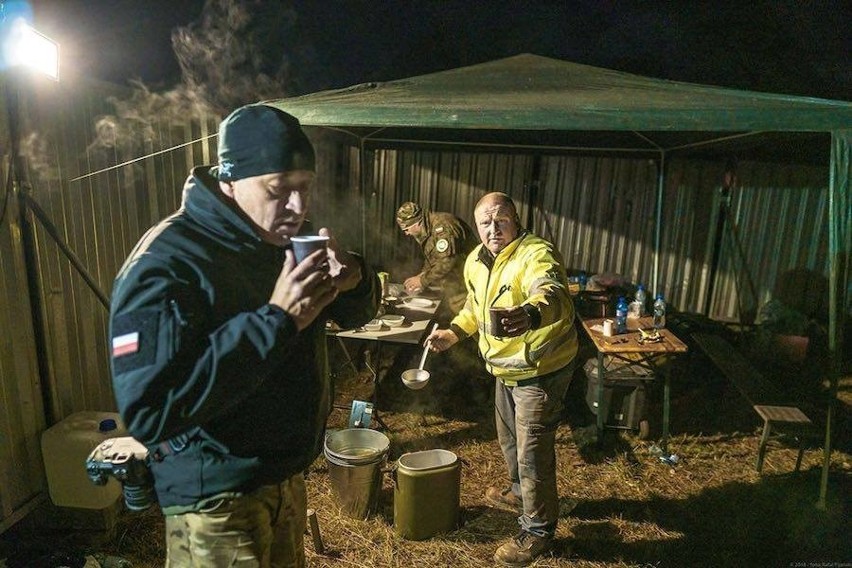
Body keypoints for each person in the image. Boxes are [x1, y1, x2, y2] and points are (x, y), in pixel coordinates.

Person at [108, 104, 379, 567]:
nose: (299, 207)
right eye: (280, 190)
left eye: (306, 188)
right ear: (229, 182)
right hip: (213, 498)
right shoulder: (167, 263)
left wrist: (354, 279)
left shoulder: (283, 238)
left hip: (283, 477)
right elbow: (150, 410)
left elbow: (352, 316)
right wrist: (277, 319)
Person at [425, 192, 578, 566]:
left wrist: (531, 313)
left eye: (500, 220)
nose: (492, 229)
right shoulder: (476, 261)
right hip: (504, 368)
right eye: (485, 223)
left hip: (540, 369)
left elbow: (553, 291)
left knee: (531, 450)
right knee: (508, 437)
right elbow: (473, 308)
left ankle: (538, 530)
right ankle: (518, 491)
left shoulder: (535, 252)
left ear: (515, 219)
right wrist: (454, 333)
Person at [395, 201, 478, 321]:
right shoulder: (429, 229)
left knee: (466, 321)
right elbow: (434, 259)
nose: (406, 233)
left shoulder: (443, 226)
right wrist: (422, 274)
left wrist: (422, 280)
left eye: (406, 229)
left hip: (465, 286)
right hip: (454, 284)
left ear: (417, 223)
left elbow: (447, 261)